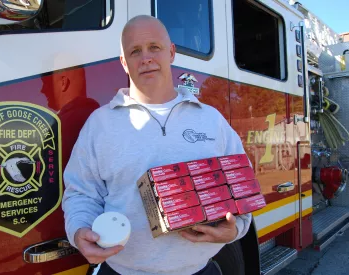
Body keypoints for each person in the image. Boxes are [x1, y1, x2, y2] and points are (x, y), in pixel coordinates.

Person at [62, 15, 252, 275]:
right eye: (135, 51)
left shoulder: (211, 119)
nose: (146, 58)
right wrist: (79, 229)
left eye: (155, 47)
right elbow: (81, 192)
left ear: (171, 52)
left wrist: (236, 227)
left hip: (200, 271)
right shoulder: (100, 124)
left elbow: (241, 185)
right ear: (123, 63)